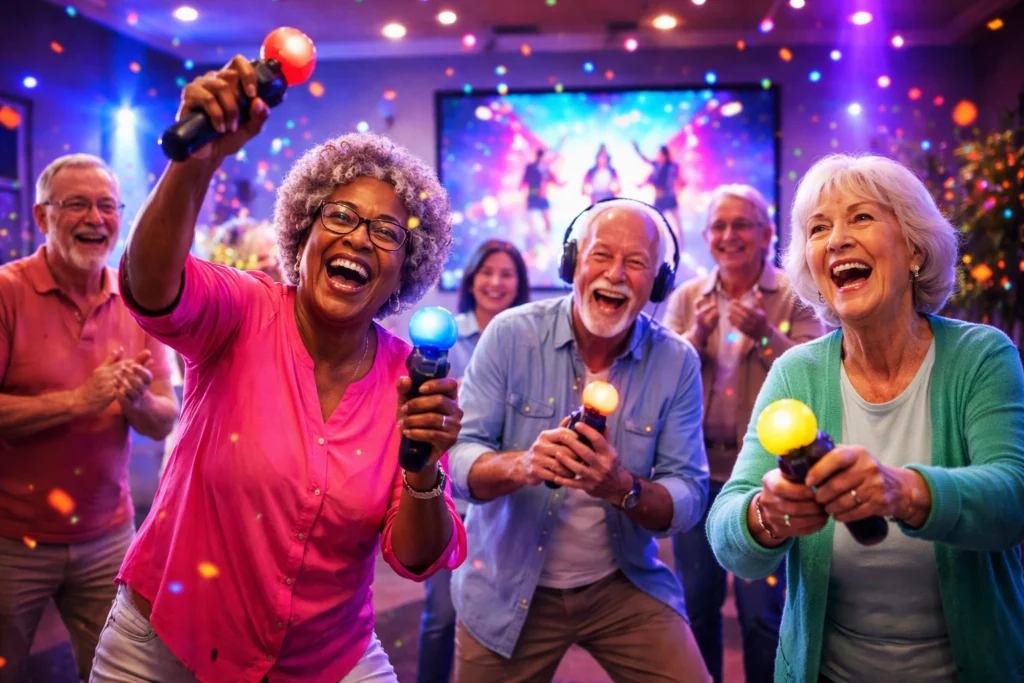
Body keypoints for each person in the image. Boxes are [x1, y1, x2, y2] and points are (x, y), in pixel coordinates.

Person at [88, 56, 467, 683]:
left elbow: (416, 556)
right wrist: (196, 163)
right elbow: (151, 287)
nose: (359, 239)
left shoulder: (408, 379)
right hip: (166, 644)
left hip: (326, 658)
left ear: (407, 270)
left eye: (387, 233)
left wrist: (423, 470)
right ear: (305, 230)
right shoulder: (243, 310)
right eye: (340, 216)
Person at [707, 154, 1024, 681]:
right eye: (818, 228)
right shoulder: (796, 372)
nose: (835, 240)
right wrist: (768, 516)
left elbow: (1013, 500)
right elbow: (727, 533)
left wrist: (904, 491)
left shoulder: (981, 356)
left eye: (861, 217)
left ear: (915, 249)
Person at [449, 198, 712, 682]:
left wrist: (623, 488)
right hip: (505, 585)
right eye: (600, 256)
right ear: (572, 263)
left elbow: (690, 495)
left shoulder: (676, 361)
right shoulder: (510, 335)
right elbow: (458, 465)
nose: (615, 274)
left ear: (657, 282)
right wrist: (522, 465)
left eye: (635, 263)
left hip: (624, 583)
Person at [0, 154, 178, 682]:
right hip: (12, 540)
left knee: (117, 675)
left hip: (109, 537)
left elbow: (164, 418)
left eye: (106, 206)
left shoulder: (137, 298)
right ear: (41, 217)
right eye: (76, 204)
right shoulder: (7, 291)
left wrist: (136, 400)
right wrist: (80, 400)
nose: (95, 219)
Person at [663, 184, 826, 683]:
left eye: (742, 225)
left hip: (764, 477)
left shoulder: (794, 298)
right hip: (698, 474)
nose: (729, 235)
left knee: (761, 614)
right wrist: (694, 339)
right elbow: (663, 374)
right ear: (707, 236)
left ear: (766, 234)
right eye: (719, 226)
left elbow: (813, 378)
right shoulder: (689, 297)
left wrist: (763, 334)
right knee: (697, 607)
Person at [416, 239, 530, 683]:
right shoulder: (442, 334)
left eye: (507, 274)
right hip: (448, 495)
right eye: (487, 272)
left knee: (505, 621)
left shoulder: (528, 339)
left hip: (507, 498)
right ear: (471, 279)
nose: (496, 283)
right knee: (441, 615)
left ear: (520, 283)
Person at [633, 141, 685, 245]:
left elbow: (678, 179)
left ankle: (681, 244)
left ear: (665, 155)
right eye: (658, 154)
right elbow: (646, 163)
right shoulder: (656, 166)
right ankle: (655, 242)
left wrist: (680, 185)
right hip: (659, 198)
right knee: (655, 220)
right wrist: (636, 149)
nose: (659, 156)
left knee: (676, 222)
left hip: (669, 197)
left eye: (661, 154)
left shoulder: (671, 167)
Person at [521, 145, 564, 246]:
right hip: (533, 196)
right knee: (532, 224)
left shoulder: (545, 168)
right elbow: (524, 180)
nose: (546, 158)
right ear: (540, 156)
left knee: (547, 221)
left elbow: (553, 179)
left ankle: (545, 241)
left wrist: (561, 184)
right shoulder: (531, 167)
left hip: (542, 197)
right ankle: (531, 243)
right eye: (544, 156)